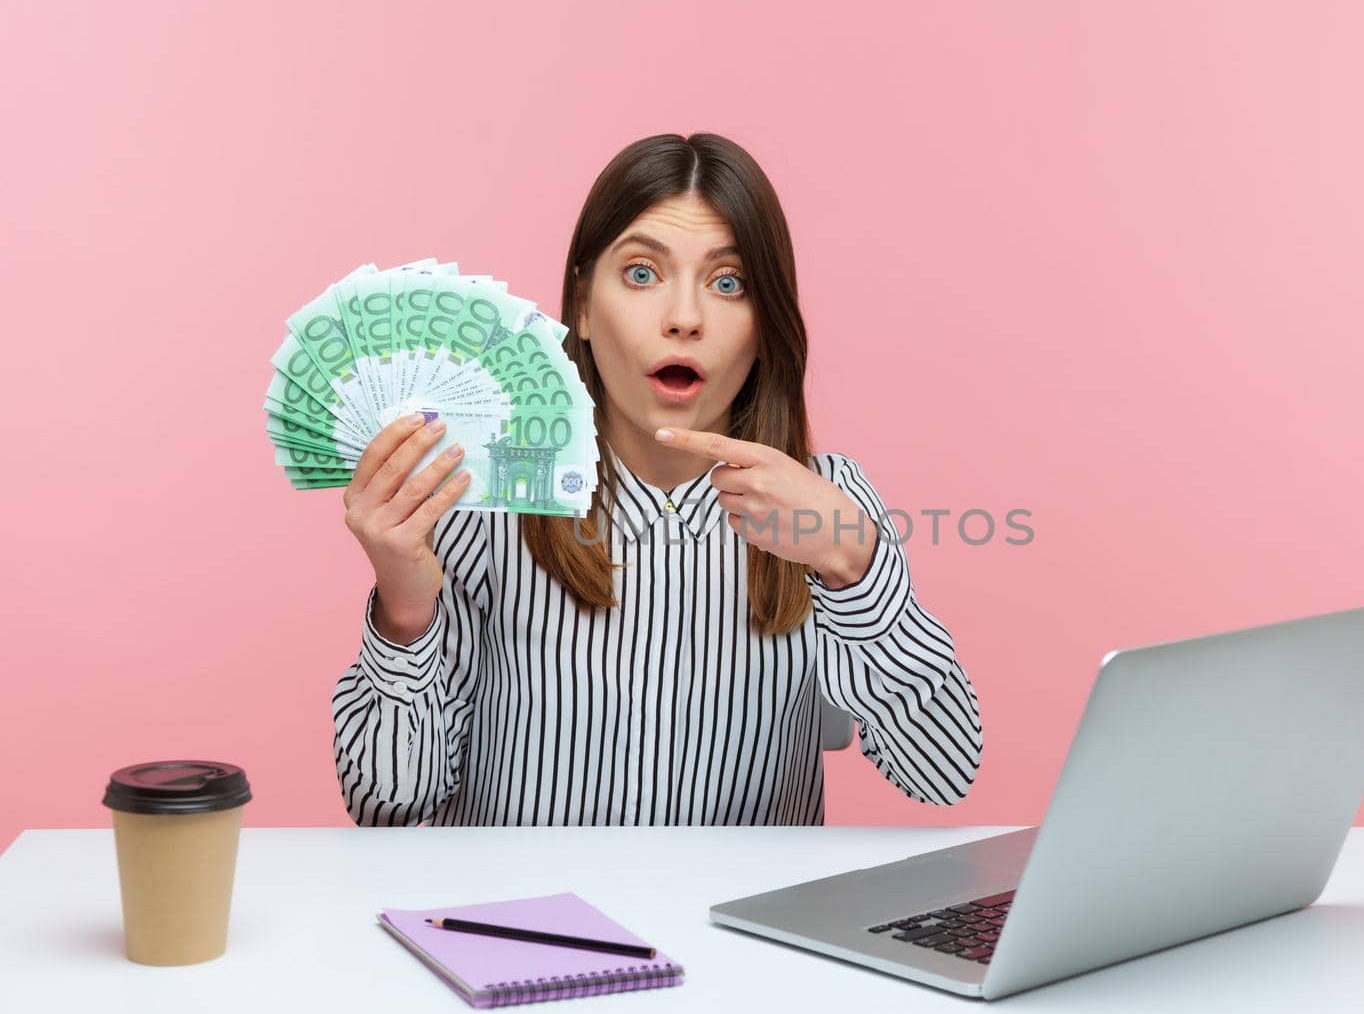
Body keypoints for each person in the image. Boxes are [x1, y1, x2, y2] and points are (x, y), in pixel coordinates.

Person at [331, 133, 983, 826]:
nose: (684, 318)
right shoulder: (488, 499)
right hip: (519, 926)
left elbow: (941, 772)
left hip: (735, 935)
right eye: (642, 274)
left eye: (728, 283)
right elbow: (386, 804)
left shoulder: (828, 501)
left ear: (765, 327)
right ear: (582, 305)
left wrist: (855, 567)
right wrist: (404, 611)